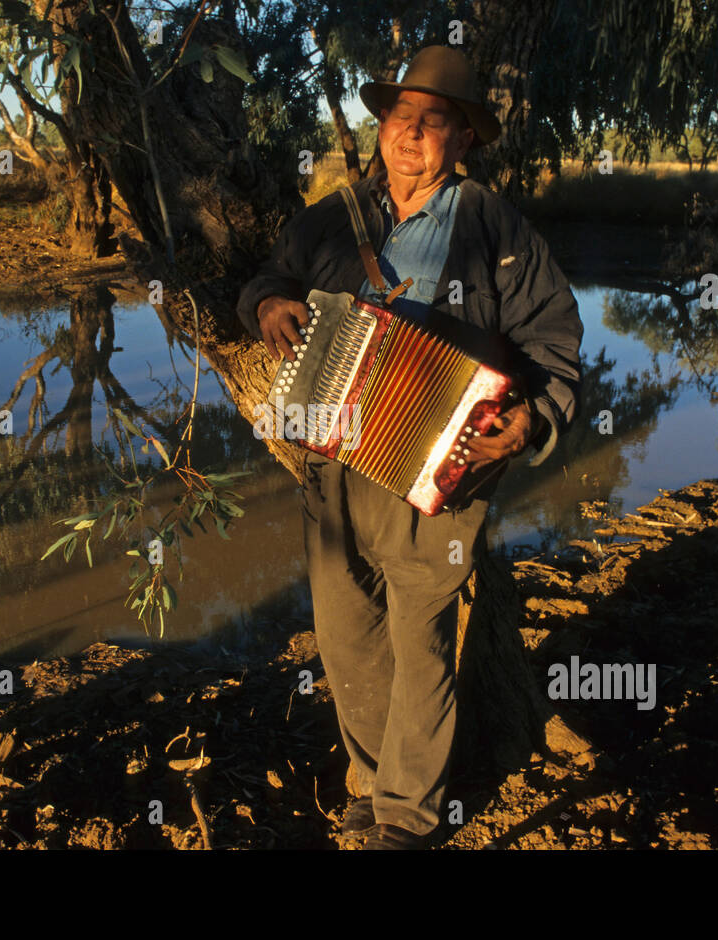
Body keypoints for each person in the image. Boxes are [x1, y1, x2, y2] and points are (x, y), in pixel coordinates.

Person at [236, 45, 584, 849]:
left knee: (421, 642)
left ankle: (403, 816)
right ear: (381, 126)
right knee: (345, 634)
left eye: (435, 123)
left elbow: (556, 342)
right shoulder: (331, 216)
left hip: (439, 477)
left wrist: (531, 420)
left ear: (463, 139)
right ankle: (369, 784)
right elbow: (266, 279)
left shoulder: (496, 226)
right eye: (401, 118)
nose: (412, 135)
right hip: (331, 460)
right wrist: (268, 308)